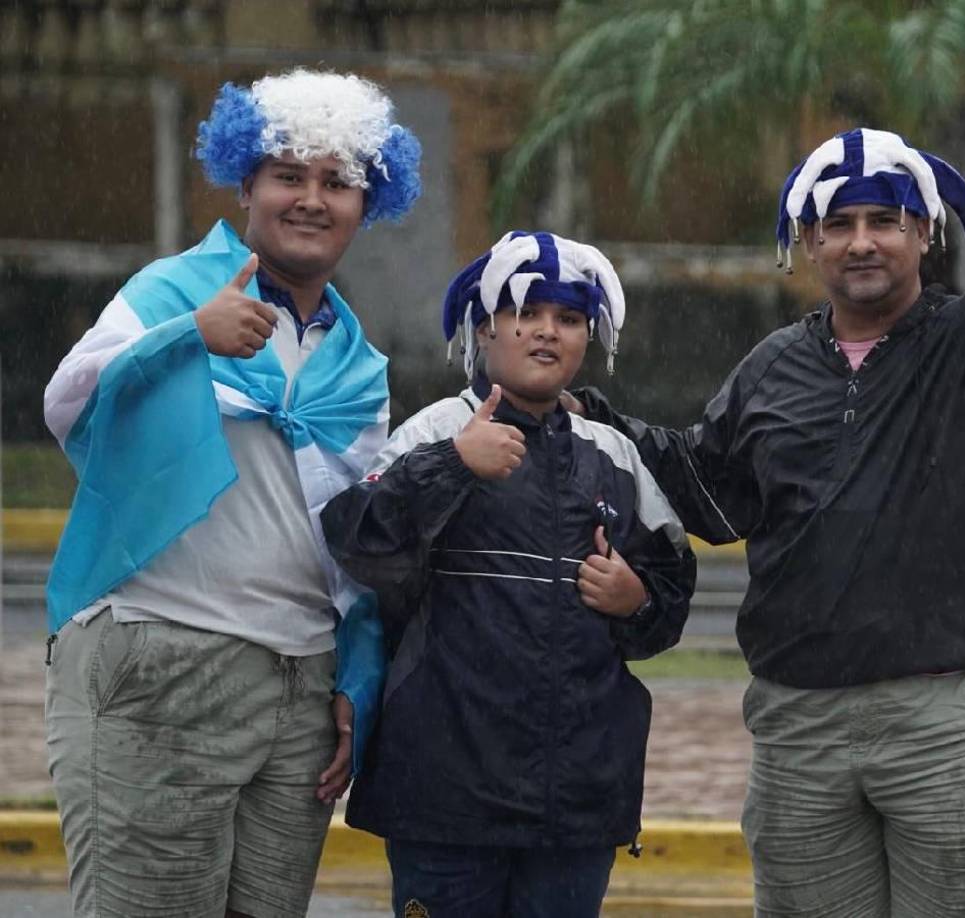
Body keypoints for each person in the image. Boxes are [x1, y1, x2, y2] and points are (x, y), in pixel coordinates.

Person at [570, 79, 965, 915]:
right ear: (809, 243)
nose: (862, 242)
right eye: (838, 224)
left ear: (924, 232)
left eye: (884, 220)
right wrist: (591, 419)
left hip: (953, 725)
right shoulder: (771, 368)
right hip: (801, 731)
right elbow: (708, 490)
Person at [42, 69, 421, 918]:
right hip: (162, 659)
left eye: (338, 181)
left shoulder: (358, 366)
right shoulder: (173, 291)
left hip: (300, 692)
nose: (312, 199)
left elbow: (351, 546)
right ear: (246, 182)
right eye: (289, 175)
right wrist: (189, 338)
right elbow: (69, 405)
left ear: (368, 203)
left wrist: (357, 681)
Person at [321, 231, 697, 918]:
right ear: (483, 327)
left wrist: (636, 600)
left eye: (569, 318)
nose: (548, 331)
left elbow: (669, 600)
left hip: (575, 809)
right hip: (444, 801)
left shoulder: (613, 455)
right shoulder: (434, 433)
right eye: (525, 312)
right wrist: (453, 465)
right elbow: (357, 538)